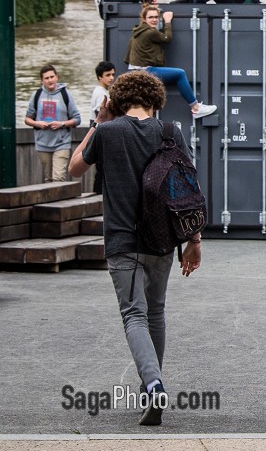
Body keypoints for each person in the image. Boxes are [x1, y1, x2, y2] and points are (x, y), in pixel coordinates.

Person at [68, 70, 201, 426]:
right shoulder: (170, 132)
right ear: (155, 100)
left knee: (134, 314)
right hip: (162, 240)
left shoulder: (108, 133)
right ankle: (150, 387)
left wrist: (98, 121)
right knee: (155, 312)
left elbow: (73, 168)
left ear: (117, 100)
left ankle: (154, 385)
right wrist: (194, 240)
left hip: (123, 241)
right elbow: (189, 188)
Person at [125, 5, 217, 120]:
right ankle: (196, 108)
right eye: (150, 17)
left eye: (156, 17)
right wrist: (168, 22)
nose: (154, 20)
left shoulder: (136, 32)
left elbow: (127, 57)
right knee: (180, 74)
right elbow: (167, 38)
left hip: (135, 71)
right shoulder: (149, 32)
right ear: (144, 19)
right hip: (144, 71)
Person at [23, 65, 83, 182]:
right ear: (42, 81)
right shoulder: (37, 95)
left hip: (62, 143)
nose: (50, 80)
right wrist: (38, 124)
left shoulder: (65, 94)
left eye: (52, 77)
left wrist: (62, 124)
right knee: (48, 179)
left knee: (58, 178)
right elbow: (27, 119)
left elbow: (77, 119)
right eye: (46, 78)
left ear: (56, 77)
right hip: (42, 143)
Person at [90, 61, 117, 127]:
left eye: (113, 74)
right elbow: (100, 118)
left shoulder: (104, 90)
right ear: (100, 77)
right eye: (108, 75)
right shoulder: (100, 93)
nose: (111, 78)